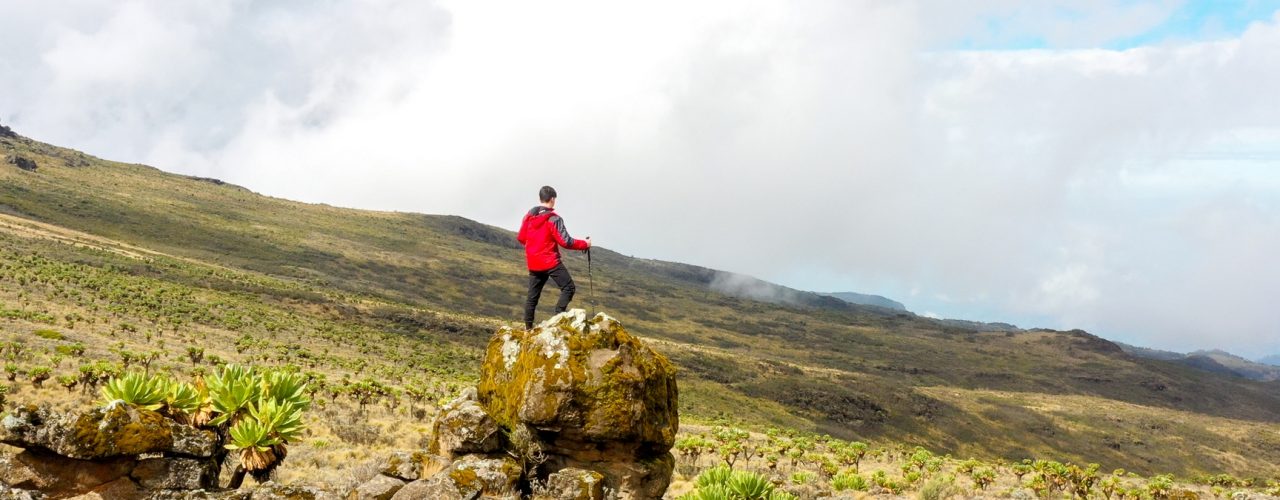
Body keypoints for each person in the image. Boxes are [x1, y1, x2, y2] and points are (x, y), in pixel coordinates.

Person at [517, 186, 591, 329]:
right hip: (550, 261)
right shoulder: (553, 219)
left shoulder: (529, 217)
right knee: (568, 288)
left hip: (533, 262)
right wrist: (585, 244)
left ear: (540, 199)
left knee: (532, 297)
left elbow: (521, 237)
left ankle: (528, 329)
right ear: (552, 199)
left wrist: (534, 245)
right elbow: (566, 242)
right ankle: (558, 316)